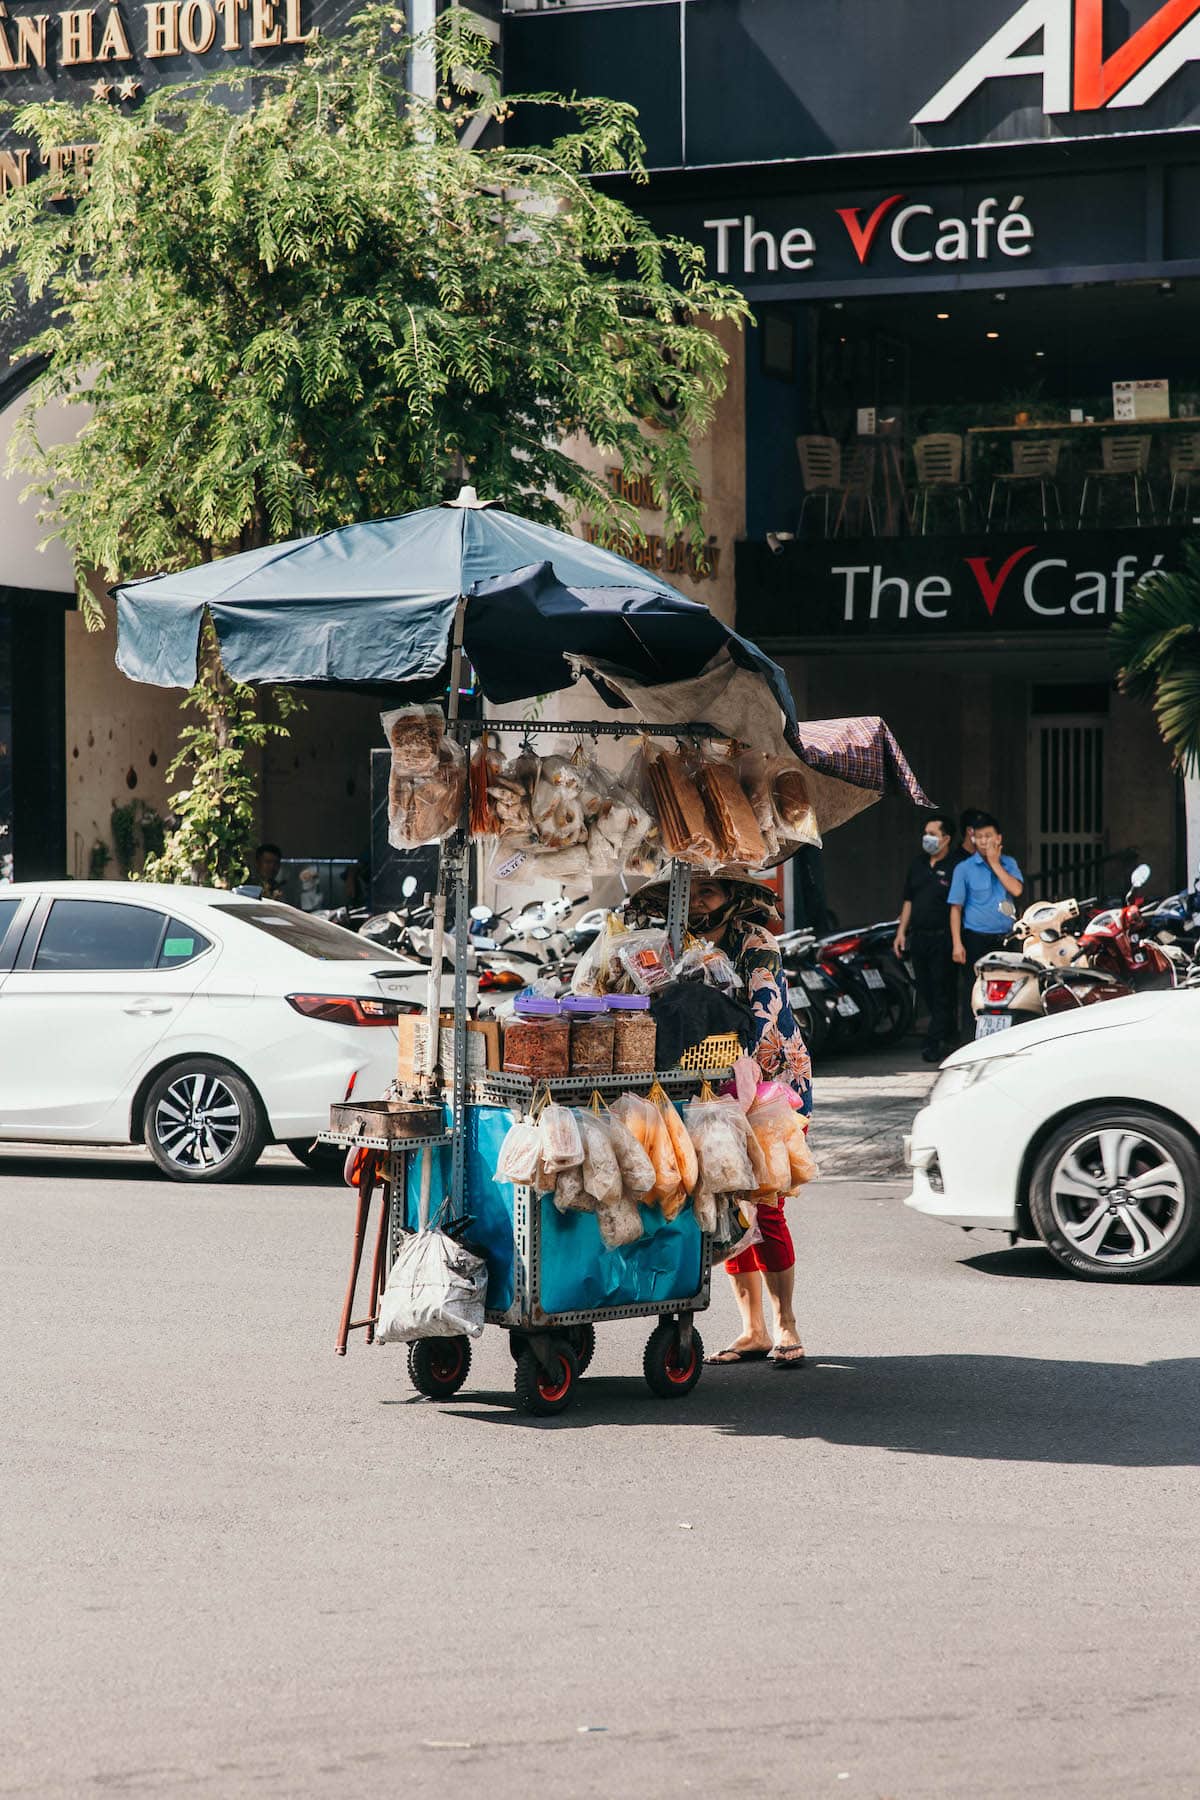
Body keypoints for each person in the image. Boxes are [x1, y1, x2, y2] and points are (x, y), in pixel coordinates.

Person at [683, 874, 813, 1370]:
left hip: (771, 1081)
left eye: (708, 893)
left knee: (766, 1202)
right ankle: (752, 1329)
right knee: (728, 1202)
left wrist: (734, 1074)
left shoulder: (755, 942)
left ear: (732, 898)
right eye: (692, 892)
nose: (699, 902)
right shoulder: (684, 943)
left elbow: (765, 1017)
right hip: (713, 1082)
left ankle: (787, 1325)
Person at [894, 812, 960, 1063]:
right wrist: (901, 932)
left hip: (943, 938)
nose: (927, 838)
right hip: (919, 938)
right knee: (926, 989)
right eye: (926, 833)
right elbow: (908, 901)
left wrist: (956, 942)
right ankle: (948, 1030)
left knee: (943, 989)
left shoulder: (955, 866)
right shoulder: (918, 864)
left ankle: (934, 1042)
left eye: (932, 834)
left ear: (946, 839)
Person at [949, 815, 1024, 1036]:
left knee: (1012, 990)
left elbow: (1017, 890)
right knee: (974, 991)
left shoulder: (1009, 863)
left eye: (988, 836)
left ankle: (1007, 1037)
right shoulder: (964, 868)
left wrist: (994, 863)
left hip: (1006, 938)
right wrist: (957, 944)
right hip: (975, 939)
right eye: (979, 837)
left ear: (999, 838)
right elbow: (955, 908)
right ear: (972, 839)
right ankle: (969, 1041)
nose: (984, 841)